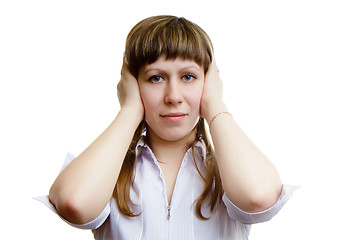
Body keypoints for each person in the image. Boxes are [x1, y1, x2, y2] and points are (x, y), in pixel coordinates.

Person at [35, 15, 297, 239]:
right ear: (133, 85)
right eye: (156, 77)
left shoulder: (233, 173)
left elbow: (259, 196)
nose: (173, 96)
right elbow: (75, 202)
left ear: (209, 83)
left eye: (188, 77)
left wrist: (216, 104)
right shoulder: (106, 174)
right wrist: (129, 111)